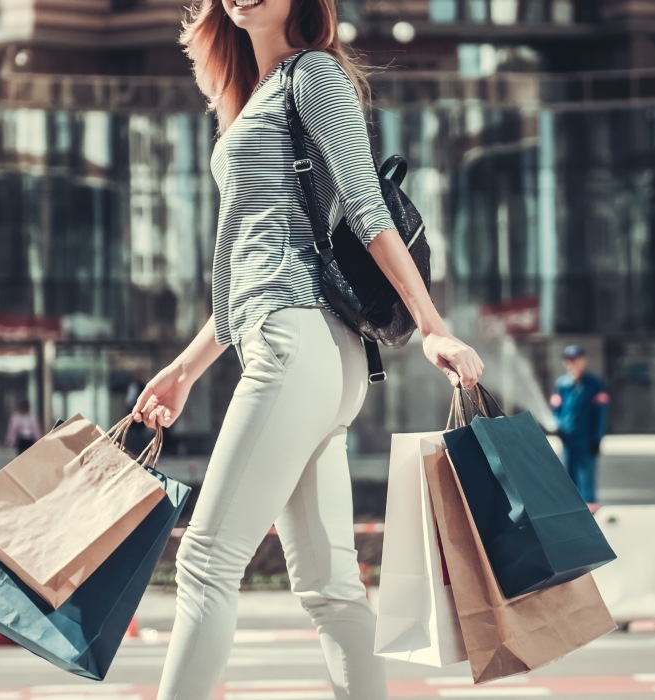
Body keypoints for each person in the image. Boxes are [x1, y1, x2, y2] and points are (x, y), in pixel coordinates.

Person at [129, 3, 485, 695]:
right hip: (307, 351)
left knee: (205, 561)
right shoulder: (257, 95)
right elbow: (251, 274)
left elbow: (367, 209)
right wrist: (182, 372)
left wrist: (433, 326)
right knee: (330, 590)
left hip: (297, 347)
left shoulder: (314, 75)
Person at [550, 344, 609, 506]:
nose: (572, 364)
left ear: (584, 361)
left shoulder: (595, 384)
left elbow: (600, 413)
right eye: (569, 361)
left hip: (587, 438)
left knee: (587, 474)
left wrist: (597, 438)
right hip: (568, 438)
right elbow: (556, 409)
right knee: (569, 475)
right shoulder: (561, 384)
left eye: (576, 360)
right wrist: (558, 427)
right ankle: (572, 507)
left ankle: (590, 508)